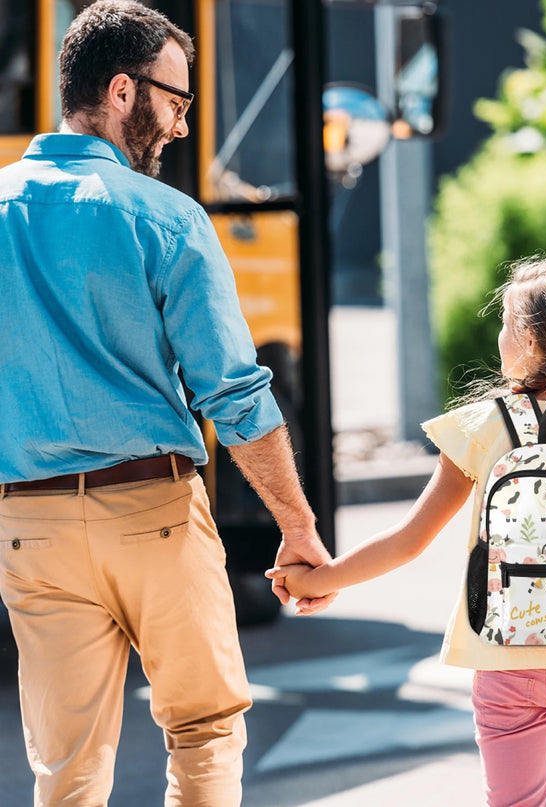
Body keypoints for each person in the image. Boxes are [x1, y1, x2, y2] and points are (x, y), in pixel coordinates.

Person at [0, 2, 333, 806]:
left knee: (66, 767)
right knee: (204, 730)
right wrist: (296, 527)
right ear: (122, 91)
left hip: (29, 526)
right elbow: (233, 391)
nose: (182, 125)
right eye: (176, 101)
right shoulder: (166, 216)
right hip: (151, 512)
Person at [268, 257, 546, 806]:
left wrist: (315, 580)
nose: (499, 335)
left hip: (502, 654)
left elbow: (408, 539)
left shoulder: (482, 427)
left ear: (528, 339)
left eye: (506, 323)